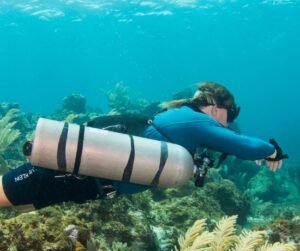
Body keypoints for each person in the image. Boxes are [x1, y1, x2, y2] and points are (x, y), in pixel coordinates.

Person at [0, 81, 287, 210]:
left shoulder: (181, 120)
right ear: (215, 108)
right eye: (231, 114)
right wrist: (272, 150)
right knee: (5, 192)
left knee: (14, 200)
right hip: (80, 175)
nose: (230, 122)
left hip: (87, 182)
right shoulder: (196, 122)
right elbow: (241, 145)